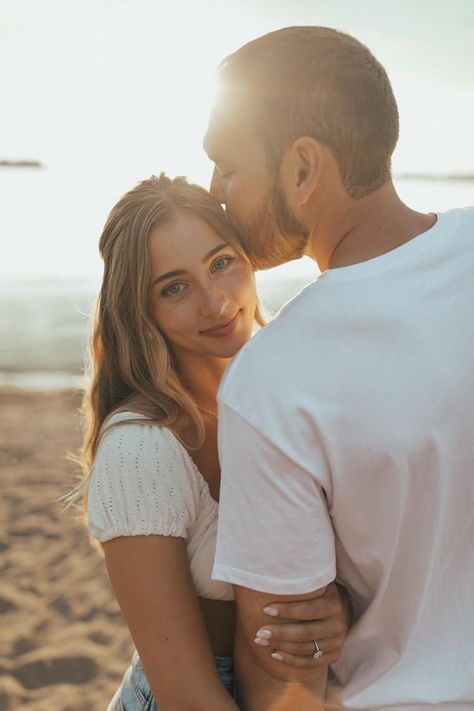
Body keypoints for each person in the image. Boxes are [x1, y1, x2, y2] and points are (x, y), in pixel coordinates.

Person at [204, 26, 474, 711]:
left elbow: (284, 673)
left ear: (302, 167)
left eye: (229, 167)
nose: (215, 193)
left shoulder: (272, 380)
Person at [77, 174, 350, 711]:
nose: (215, 301)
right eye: (174, 287)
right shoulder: (142, 451)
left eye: (221, 262)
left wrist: (335, 614)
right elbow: (186, 696)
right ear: (141, 310)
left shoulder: (293, 394)